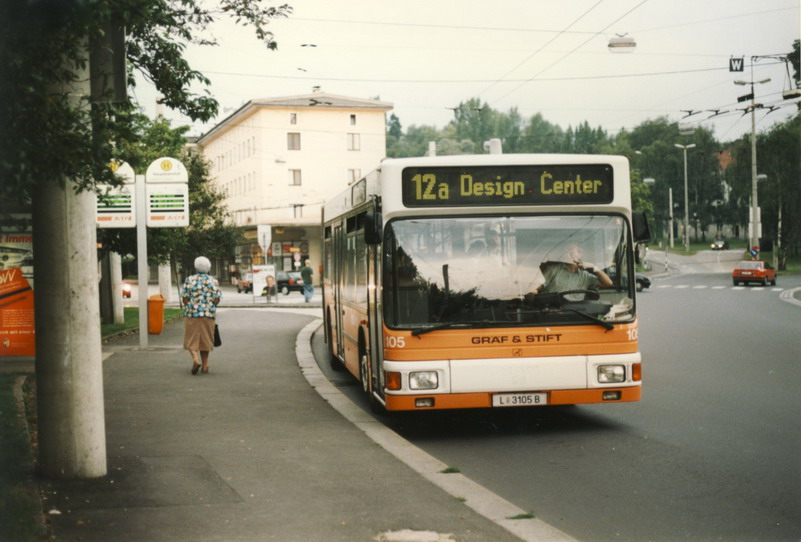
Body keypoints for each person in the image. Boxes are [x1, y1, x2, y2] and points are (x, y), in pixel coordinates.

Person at [181, 256, 222, 375]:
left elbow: (185, 299)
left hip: (192, 313)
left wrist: (191, 304)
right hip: (208, 314)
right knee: (206, 339)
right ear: (209, 267)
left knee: (191, 338)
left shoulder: (189, 280)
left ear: (195, 266)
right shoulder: (213, 281)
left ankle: (195, 359)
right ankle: (205, 366)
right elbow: (217, 299)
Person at [537, 244, 612, 298]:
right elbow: (536, 288)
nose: (568, 254)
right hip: (553, 310)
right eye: (566, 252)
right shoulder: (553, 269)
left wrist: (594, 267)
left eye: (571, 252)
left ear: (580, 255)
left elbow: (608, 283)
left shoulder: (585, 275)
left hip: (576, 311)